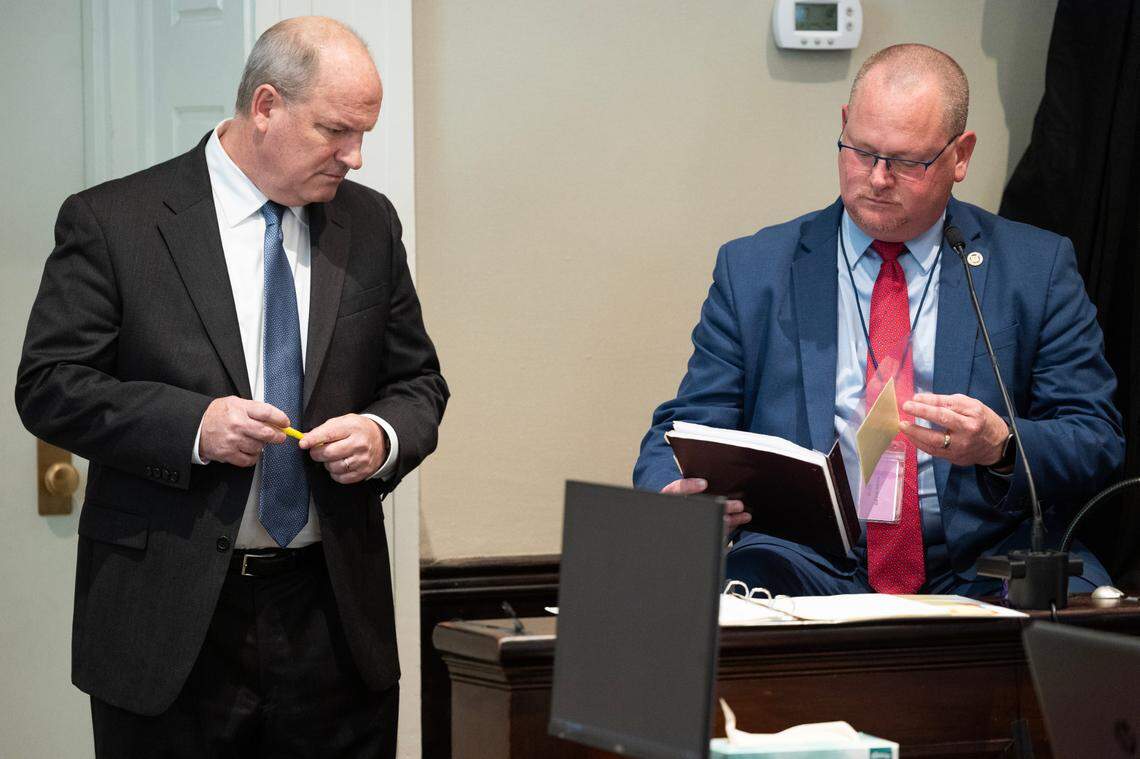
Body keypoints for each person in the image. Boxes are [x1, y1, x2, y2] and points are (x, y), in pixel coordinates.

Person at [15, 17, 447, 757]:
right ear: (267, 107)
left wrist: (382, 437)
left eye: (364, 133)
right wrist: (194, 425)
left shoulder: (369, 224)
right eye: (337, 131)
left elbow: (417, 381)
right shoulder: (114, 221)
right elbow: (50, 386)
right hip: (172, 624)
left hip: (335, 618)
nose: (356, 156)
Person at [633, 44, 1123, 598]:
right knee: (721, 599)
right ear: (844, 127)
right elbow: (684, 428)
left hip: (988, 561)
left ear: (960, 156)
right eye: (862, 152)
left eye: (908, 162)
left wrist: (1001, 446)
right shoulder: (755, 270)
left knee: (1086, 628)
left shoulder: (1034, 268)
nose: (879, 178)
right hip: (806, 560)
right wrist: (675, 490)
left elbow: (1094, 439)